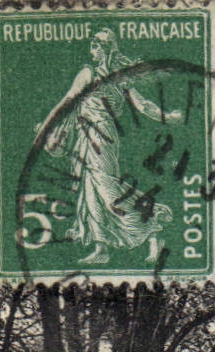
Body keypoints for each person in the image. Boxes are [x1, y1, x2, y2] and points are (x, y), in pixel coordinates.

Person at [34, 29, 182, 264]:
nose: (91, 51)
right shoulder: (89, 73)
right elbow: (68, 101)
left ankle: (152, 226)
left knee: (105, 188)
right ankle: (101, 248)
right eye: (91, 46)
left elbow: (143, 105)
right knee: (90, 189)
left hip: (103, 135)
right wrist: (46, 126)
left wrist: (168, 116)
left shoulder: (118, 77)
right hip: (86, 135)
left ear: (105, 49)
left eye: (95, 46)